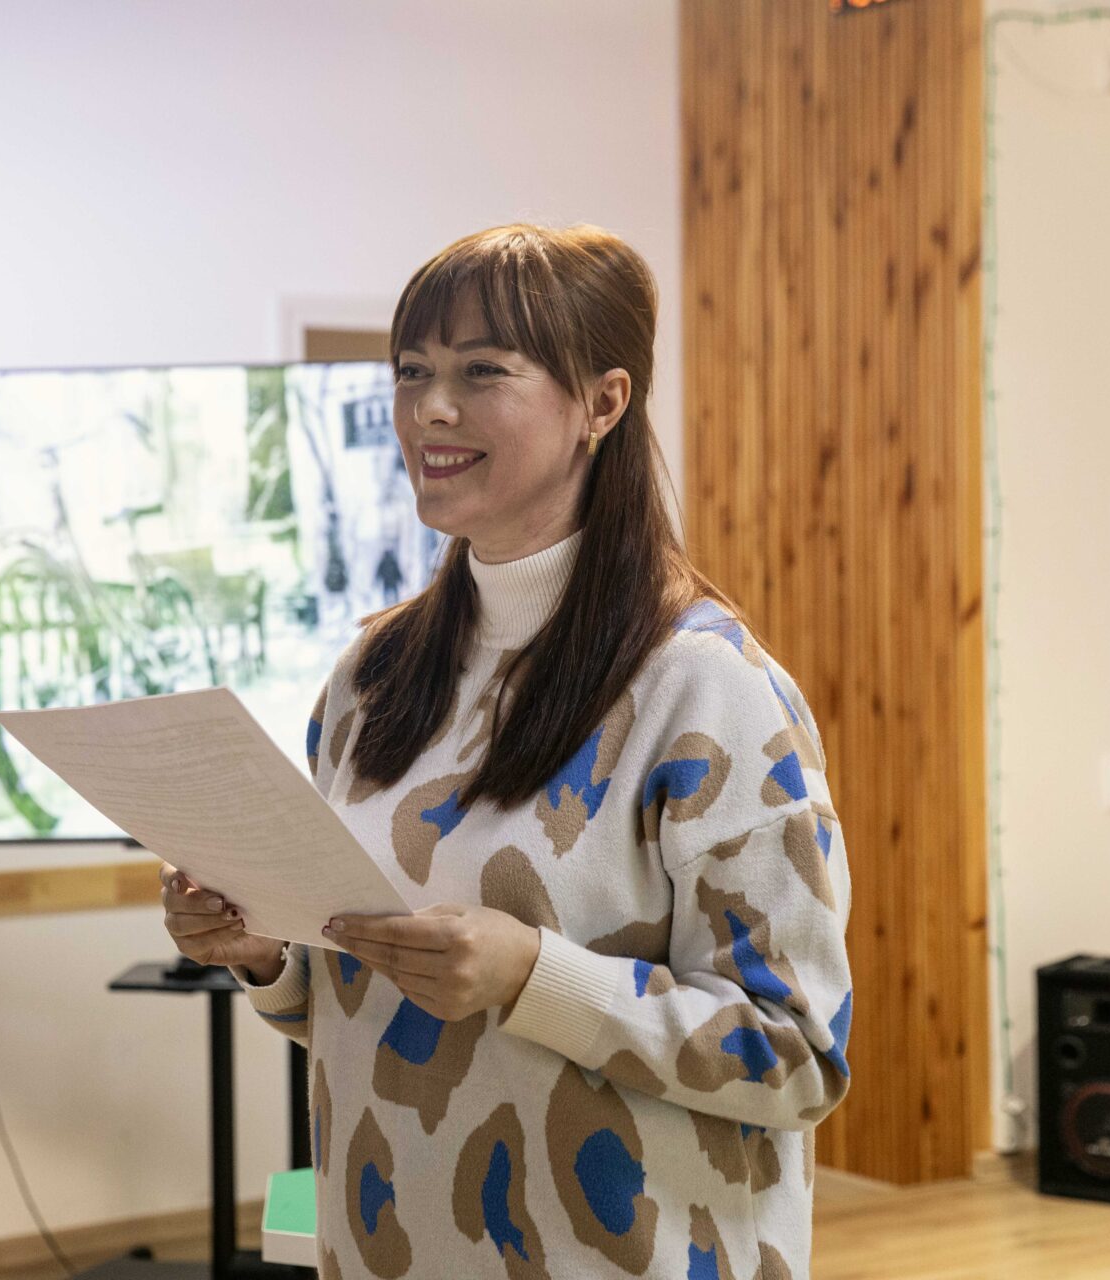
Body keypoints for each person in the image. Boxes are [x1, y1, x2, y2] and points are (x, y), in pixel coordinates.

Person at [158, 223, 852, 1280]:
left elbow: (795, 1055)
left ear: (603, 404)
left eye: (482, 372)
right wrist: (261, 950)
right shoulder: (372, 676)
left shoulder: (706, 686)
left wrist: (535, 974)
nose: (430, 410)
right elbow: (351, 1006)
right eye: (412, 372)